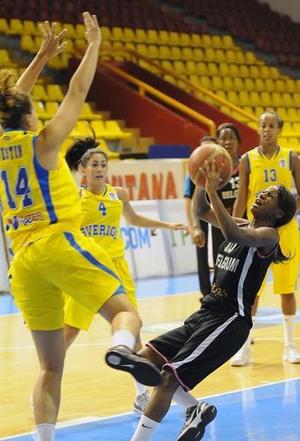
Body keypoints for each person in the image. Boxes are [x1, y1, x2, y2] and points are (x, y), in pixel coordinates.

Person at [0, 13, 160, 441]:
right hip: (57, 241)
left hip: (23, 262)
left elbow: (9, 102)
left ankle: (43, 439)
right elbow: (77, 89)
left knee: (50, 367)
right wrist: (94, 45)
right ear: (31, 118)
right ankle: (121, 350)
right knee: (126, 313)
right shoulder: (44, 143)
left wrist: (38, 58)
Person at [130, 150, 297, 441]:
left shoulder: (269, 236)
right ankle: (195, 410)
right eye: (262, 191)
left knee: (169, 378)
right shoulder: (243, 223)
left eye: (269, 195)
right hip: (206, 313)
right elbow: (200, 212)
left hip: (230, 320)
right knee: (145, 359)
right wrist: (199, 181)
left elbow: (232, 235)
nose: (260, 195)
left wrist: (212, 192)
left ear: (278, 213)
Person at [63, 140, 189, 415]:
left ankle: (140, 395)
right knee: (68, 331)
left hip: (117, 269)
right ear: (82, 170)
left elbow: (134, 220)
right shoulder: (75, 198)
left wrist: (168, 224)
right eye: (93, 165)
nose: (99, 169)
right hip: (87, 270)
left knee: (133, 329)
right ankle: (49, 377)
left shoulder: (117, 194)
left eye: (103, 165)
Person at [232, 111, 300, 366]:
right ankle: (244, 349)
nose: (267, 130)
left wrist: (285, 216)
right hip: (255, 232)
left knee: (286, 289)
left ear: (279, 129)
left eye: (271, 125)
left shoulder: (291, 157)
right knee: (252, 291)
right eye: (263, 125)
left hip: (286, 231)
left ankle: (290, 345)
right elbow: (241, 198)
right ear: (258, 129)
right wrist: (233, 226)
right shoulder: (248, 159)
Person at [185, 125, 242, 299]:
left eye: (231, 137)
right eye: (223, 138)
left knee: (234, 263)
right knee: (213, 260)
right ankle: (209, 295)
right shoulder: (202, 171)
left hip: (236, 220)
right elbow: (191, 201)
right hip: (213, 218)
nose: (227, 142)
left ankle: (232, 295)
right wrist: (195, 226)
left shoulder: (241, 164)